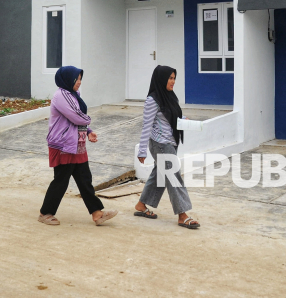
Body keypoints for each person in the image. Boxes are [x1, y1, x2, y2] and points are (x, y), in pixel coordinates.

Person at [39, 66, 118, 226]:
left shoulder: (74, 95)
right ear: (68, 79)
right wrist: (88, 120)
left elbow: (76, 119)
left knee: (84, 179)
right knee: (61, 180)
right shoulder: (61, 95)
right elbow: (76, 116)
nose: (79, 82)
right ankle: (45, 213)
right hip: (63, 145)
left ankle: (97, 213)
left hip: (76, 143)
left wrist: (88, 131)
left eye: (81, 79)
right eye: (77, 79)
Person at [134, 65, 200, 229]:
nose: (173, 81)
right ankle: (182, 214)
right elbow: (146, 126)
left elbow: (170, 115)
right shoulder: (152, 100)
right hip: (160, 144)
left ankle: (141, 205)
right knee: (173, 176)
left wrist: (184, 119)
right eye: (170, 78)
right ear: (162, 79)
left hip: (170, 142)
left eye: (174, 78)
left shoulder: (169, 96)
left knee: (161, 175)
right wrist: (142, 150)